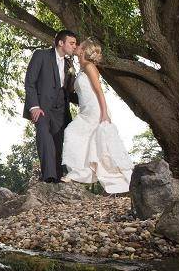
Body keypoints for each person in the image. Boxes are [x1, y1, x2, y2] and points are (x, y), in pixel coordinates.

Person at [61, 38, 134, 193]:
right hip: (85, 110)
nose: (76, 46)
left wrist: (104, 113)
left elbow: (99, 91)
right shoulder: (81, 69)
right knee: (87, 143)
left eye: (79, 45)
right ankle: (81, 174)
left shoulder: (89, 66)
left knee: (72, 133)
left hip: (94, 110)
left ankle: (79, 174)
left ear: (83, 50)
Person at [23, 30, 79, 183]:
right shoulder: (40, 55)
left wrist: (87, 99)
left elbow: (69, 91)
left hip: (61, 109)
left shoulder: (69, 64)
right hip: (41, 107)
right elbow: (30, 82)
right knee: (44, 137)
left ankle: (58, 177)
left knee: (58, 142)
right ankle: (49, 176)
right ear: (61, 43)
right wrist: (34, 106)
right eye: (72, 43)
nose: (75, 46)